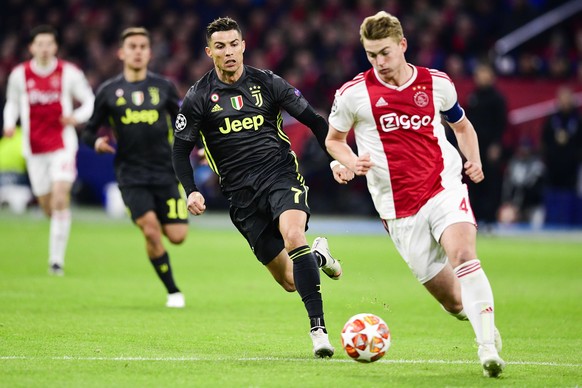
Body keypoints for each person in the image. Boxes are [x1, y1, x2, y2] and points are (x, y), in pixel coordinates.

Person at [325, 11, 505, 377]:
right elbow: (334, 140)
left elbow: (463, 127)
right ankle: (481, 320)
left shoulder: (436, 84)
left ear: (403, 45)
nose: (379, 62)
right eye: (371, 54)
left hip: (443, 186)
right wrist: (350, 160)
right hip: (397, 210)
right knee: (454, 301)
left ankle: (487, 348)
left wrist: (474, 160)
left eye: (385, 53)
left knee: (464, 253)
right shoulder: (352, 94)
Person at [172, 17, 346, 357]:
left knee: (294, 235)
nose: (229, 52)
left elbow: (314, 120)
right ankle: (320, 255)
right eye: (220, 46)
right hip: (241, 196)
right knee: (289, 281)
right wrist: (190, 189)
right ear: (210, 52)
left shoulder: (268, 83)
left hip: (280, 175)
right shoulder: (198, 97)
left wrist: (337, 158)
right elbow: (180, 149)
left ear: (243, 45)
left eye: (234, 44)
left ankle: (319, 332)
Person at [81, 27, 187, 308]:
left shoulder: (164, 87)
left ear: (149, 53)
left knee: (177, 237)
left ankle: (161, 227)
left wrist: (195, 148)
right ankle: (173, 291)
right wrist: (97, 143)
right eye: (132, 46)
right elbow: (88, 131)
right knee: (151, 230)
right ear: (122, 53)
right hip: (130, 174)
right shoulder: (108, 91)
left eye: (142, 46)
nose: (138, 51)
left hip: (165, 172)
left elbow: (182, 125)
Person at [2, 25, 95, 276]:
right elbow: (11, 104)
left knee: (60, 196)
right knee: (47, 205)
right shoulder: (20, 75)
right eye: (39, 44)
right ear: (31, 47)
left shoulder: (69, 73)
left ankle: (56, 261)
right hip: (34, 148)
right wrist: (9, 123)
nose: (44, 48)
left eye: (49, 44)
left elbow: (89, 100)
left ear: (55, 47)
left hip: (62, 145)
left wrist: (76, 117)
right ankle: (57, 229)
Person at [465, 63, 507, 230]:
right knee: (473, 183)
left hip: (490, 147)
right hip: (474, 147)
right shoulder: (473, 97)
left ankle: (489, 219)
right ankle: (474, 218)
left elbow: (501, 124)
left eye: (484, 72)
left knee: (490, 182)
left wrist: (496, 144)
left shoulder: (497, 98)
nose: (481, 76)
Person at [540, 86, 582, 226]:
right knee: (552, 192)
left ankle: (571, 223)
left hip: (571, 164)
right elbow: (544, 139)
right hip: (553, 164)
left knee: (570, 193)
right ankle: (551, 222)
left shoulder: (577, 120)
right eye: (561, 98)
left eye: (567, 98)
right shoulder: (552, 119)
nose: (564, 101)